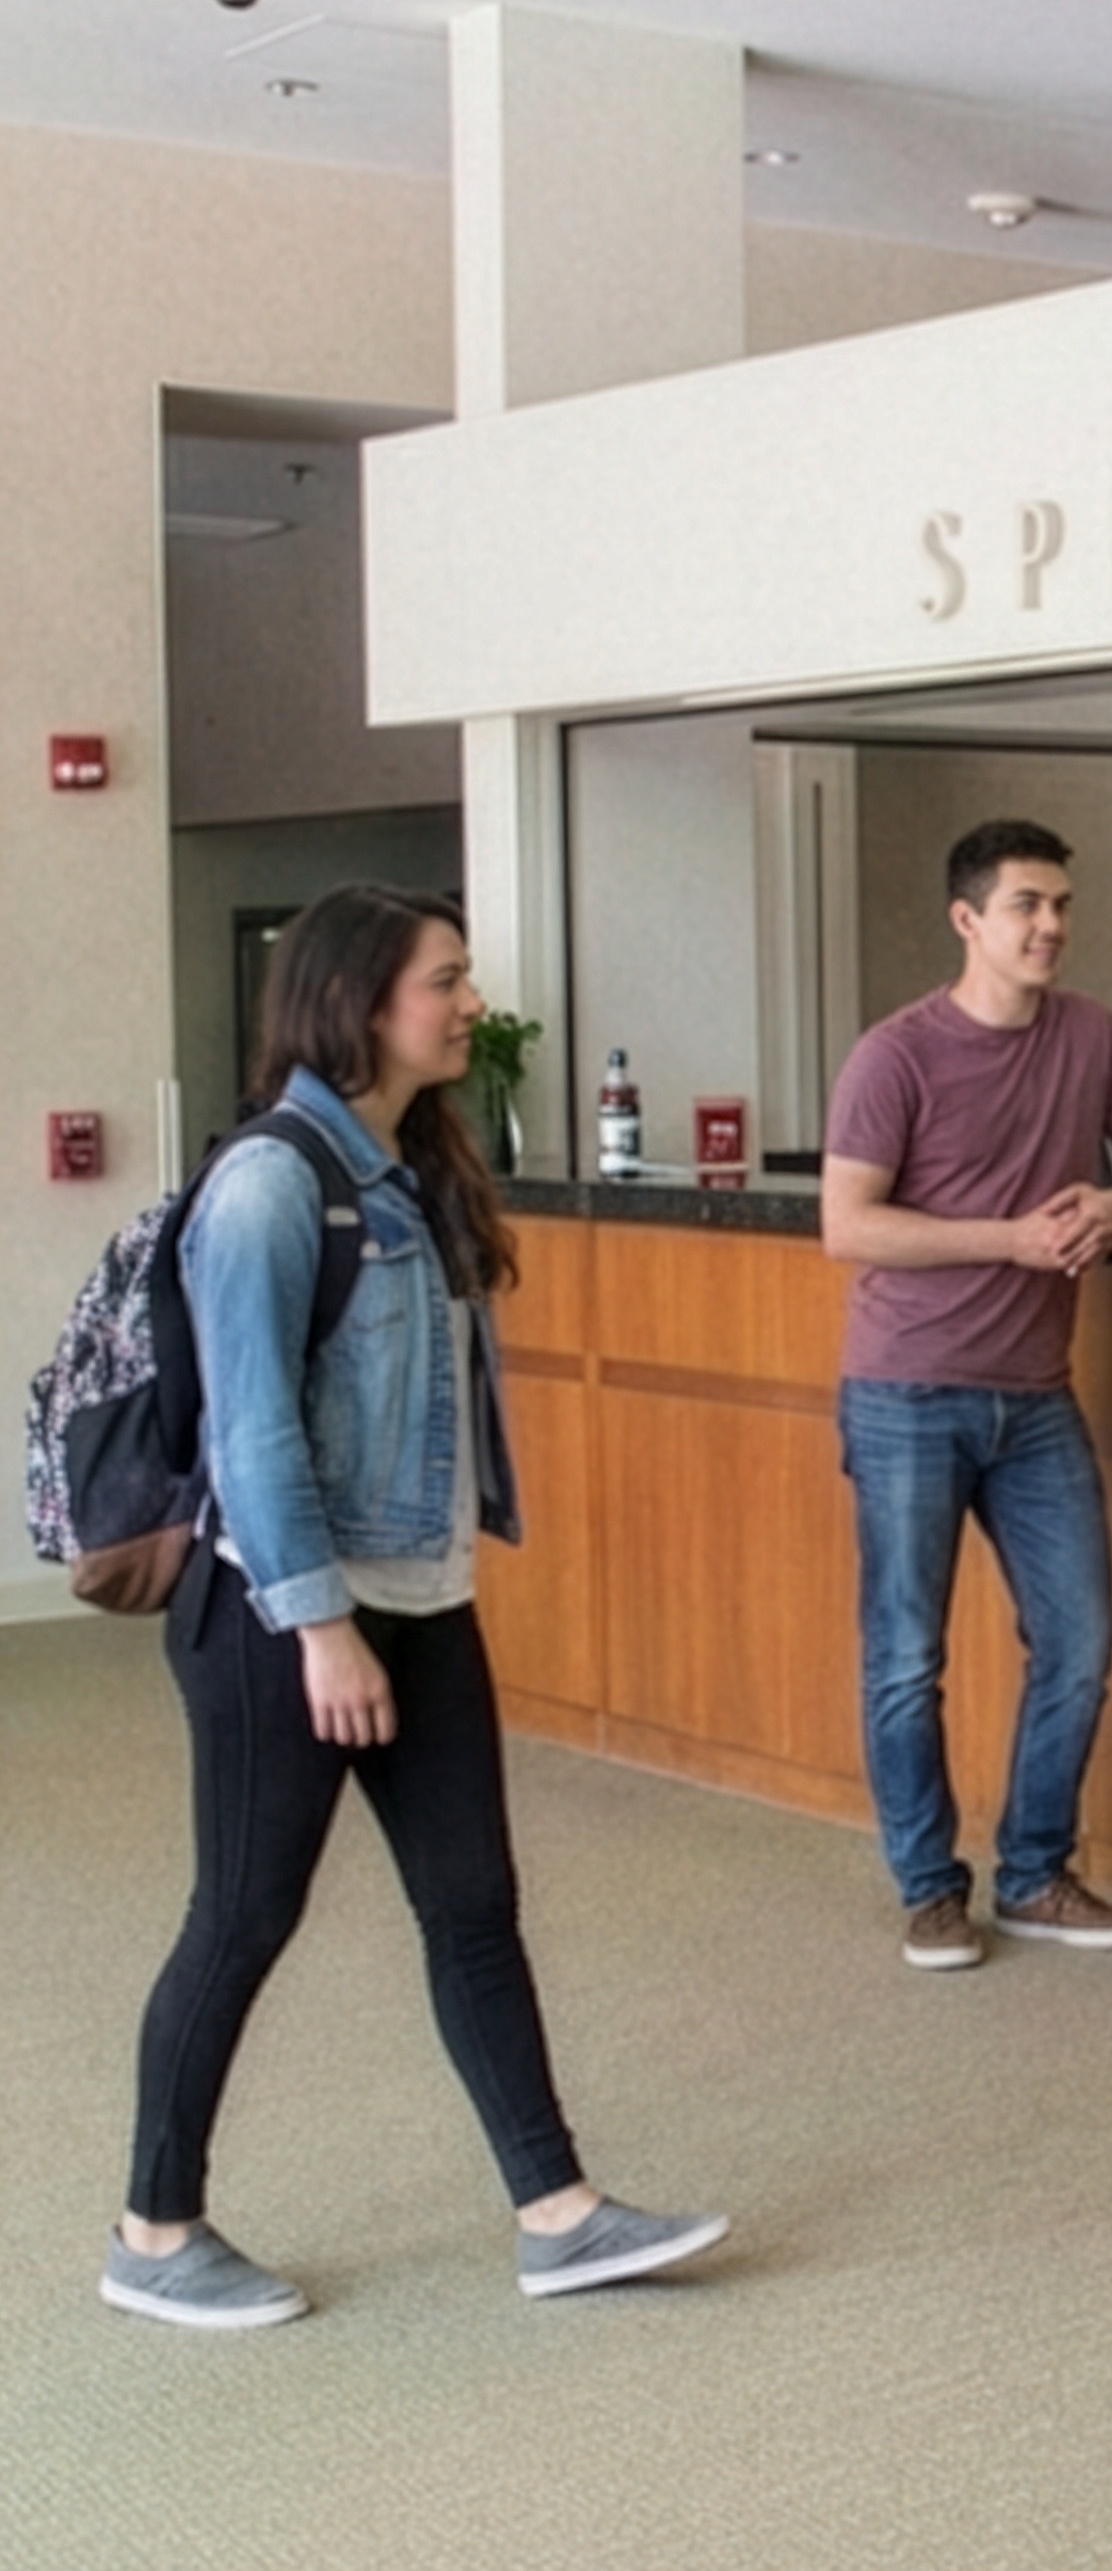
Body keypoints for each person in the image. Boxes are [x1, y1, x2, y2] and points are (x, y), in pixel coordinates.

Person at [107, 885, 724, 2326]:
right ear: (361, 1002)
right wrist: (324, 1627)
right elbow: (253, 1437)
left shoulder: (409, 1168)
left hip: (419, 1596)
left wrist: (405, 1598)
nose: (469, 1005)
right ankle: (151, 2230)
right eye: (446, 981)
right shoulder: (271, 1184)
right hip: (279, 1612)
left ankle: (558, 2211)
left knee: (473, 1907)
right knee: (244, 1914)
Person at [819, 819, 1112, 1968]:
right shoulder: (896, 1054)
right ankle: (932, 1890)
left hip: (1035, 1396)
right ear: (967, 919)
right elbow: (847, 1224)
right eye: (1027, 905)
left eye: (1062, 906)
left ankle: (1036, 1873)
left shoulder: (1092, 1035)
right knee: (904, 1656)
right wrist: (1010, 1241)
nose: (1051, 927)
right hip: (906, 1392)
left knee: (1080, 1639)